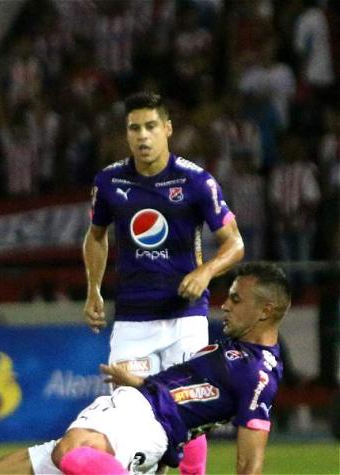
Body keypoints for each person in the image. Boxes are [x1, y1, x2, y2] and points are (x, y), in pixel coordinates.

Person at [0, 262, 290, 474]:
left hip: (149, 423)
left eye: (236, 299)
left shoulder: (258, 374)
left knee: (73, 450)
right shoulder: (234, 349)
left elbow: (249, 463)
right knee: (2, 471)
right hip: (134, 403)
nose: (225, 305)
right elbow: (190, 400)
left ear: (266, 310)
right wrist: (140, 382)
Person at [82, 92, 245, 475]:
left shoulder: (196, 181)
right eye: (134, 128)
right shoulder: (109, 181)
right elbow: (96, 236)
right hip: (132, 319)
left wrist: (205, 272)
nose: (143, 135)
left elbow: (235, 244)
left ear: (168, 129)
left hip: (185, 317)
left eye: (151, 126)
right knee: (129, 416)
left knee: (188, 412)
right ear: (126, 133)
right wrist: (93, 289)